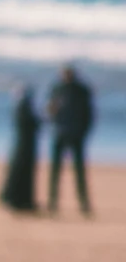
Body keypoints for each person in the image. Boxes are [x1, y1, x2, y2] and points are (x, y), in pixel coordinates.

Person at [49, 63, 95, 216]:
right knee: (55, 170)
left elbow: (89, 114)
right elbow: (50, 109)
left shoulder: (82, 91)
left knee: (79, 171)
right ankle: (52, 202)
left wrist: (83, 132)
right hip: (60, 133)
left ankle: (83, 203)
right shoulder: (57, 89)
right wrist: (53, 121)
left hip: (76, 135)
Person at [1, 84, 44, 215]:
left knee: (23, 174)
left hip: (24, 146)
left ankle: (22, 201)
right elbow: (32, 125)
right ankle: (18, 200)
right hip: (23, 147)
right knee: (20, 174)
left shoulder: (22, 108)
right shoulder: (22, 108)